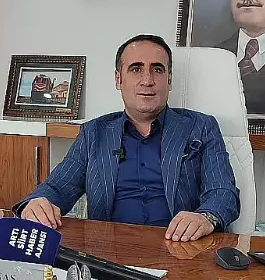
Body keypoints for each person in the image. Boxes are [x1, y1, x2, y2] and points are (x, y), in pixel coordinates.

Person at [14, 34, 240, 242]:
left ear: (169, 80)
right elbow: (57, 188)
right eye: (136, 69)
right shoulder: (94, 133)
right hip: (110, 254)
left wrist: (205, 217)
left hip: (182, 250)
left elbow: (223, 192)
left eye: (157, 69)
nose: (147, 80)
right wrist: (36, 203)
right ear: (118, 79)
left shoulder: (200, 126)